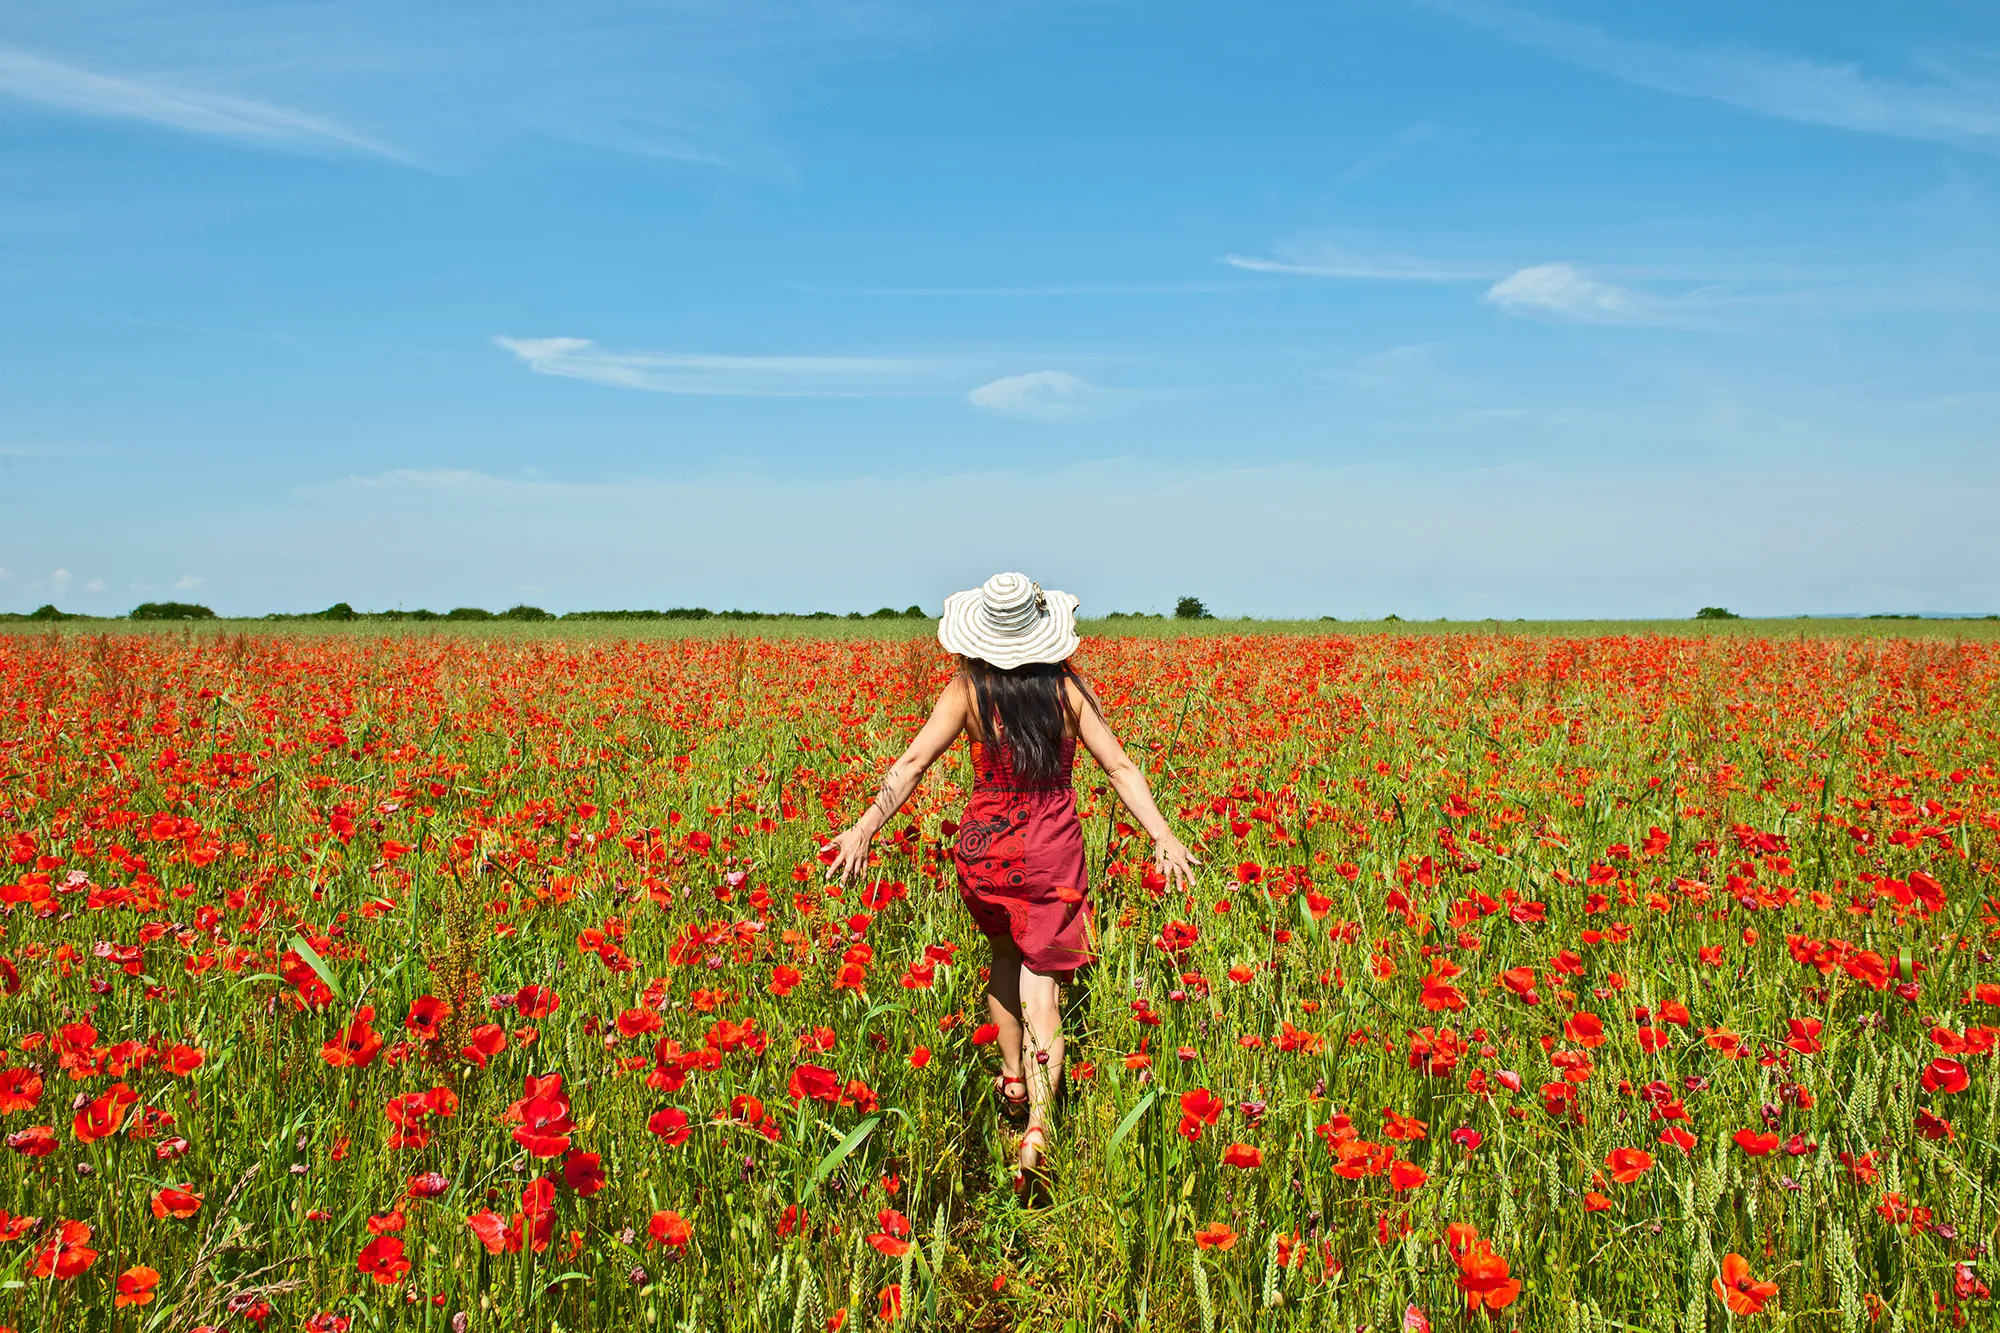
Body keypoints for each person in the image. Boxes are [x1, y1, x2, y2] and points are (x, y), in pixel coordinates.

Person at [826, 571, 1200, 1190]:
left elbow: (913, 762)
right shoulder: (1065, 692)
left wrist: (864, 827)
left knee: (1004, 954)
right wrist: (1162, 834)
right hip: (1051, 849)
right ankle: (1038, 1133)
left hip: (984, 848)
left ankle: (1014, 1083)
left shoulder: (967, 691)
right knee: (1043, 987)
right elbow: (1120, 767)